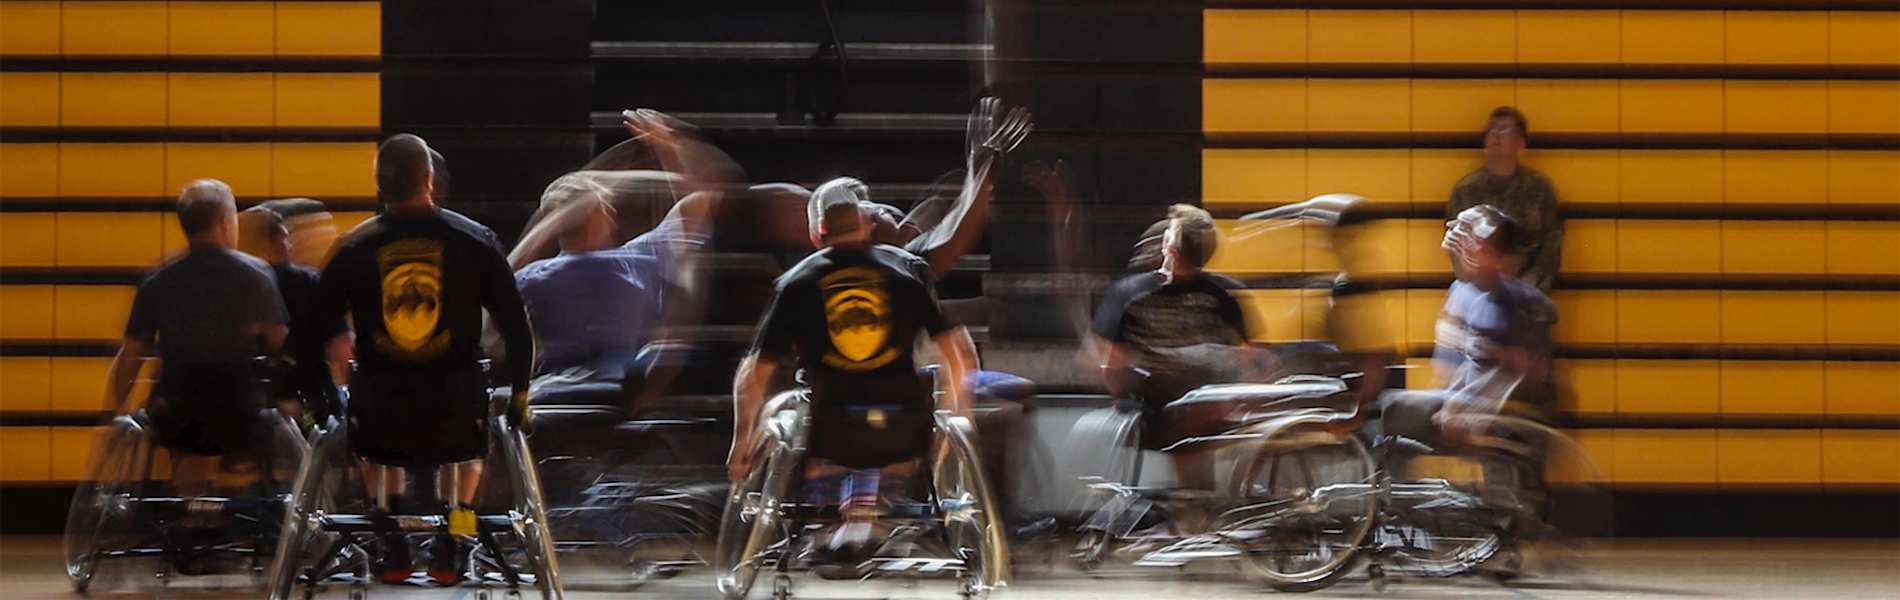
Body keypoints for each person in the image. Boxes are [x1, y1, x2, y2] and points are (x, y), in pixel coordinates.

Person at [307, 133, 536, 586]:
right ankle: (456, 533)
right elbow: (517, 328)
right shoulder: (476, 240)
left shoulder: (354, 247)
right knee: (475, 401)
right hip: (457, 418)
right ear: (429, 179)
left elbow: (308, 333)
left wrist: (318, 402)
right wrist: (522, 396)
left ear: (378, 184)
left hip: (378, 420)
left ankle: (387, 534)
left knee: (364, 397)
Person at [728, 177, 978, 560]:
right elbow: (961, 356)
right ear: (866, 226)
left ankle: (832, 504)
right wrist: (959, 416)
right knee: (914, 392)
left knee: (778, 408)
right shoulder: (910, 270)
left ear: (816, 234)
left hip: (826, 431)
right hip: (905, 425)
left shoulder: (795, 284)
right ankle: (863, 508)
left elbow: (752, 375)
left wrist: (741, 444)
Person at [103, 179, 290, 569]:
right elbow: (279, 342)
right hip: (241, 416)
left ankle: (192, 520)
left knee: (182, 421)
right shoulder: (256, 275)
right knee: (272, 419)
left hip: (176, 417)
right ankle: (235, 519)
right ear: (225, 223)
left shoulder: (159, 280)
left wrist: (111, 415)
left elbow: (131, 356)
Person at [1089, 204, 1265, 489]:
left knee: (1184, 412)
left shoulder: (1130, 293)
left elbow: (1111, 365)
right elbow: (1257, 355)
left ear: (1169, 250)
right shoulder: (1226, 292)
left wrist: (1120, 398)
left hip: (1162, 407)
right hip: (1219, 403)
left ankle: (1194, 503)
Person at [1376, 205, 1555, 476]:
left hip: (1502, 412)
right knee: (1388, 412)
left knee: (1394, 409)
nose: (1458, 244)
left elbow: (1520, 373)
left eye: (1473, 242)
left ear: (1495, 255)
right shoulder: (1461, 292)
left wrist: (1469, 411)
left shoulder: (1514, 304)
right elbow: (1454, 366)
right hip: (1462, 401)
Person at [1447, 106, 1563, 292]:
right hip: (1479, 299)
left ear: (1521, 143)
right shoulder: (1466, 191)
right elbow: (1458, 251)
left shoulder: (1539, 190)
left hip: (1528, 299)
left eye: (1506, 130)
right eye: (1491, 129)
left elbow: (1550, 249)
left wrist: (1525, 293)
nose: (1496, 136)